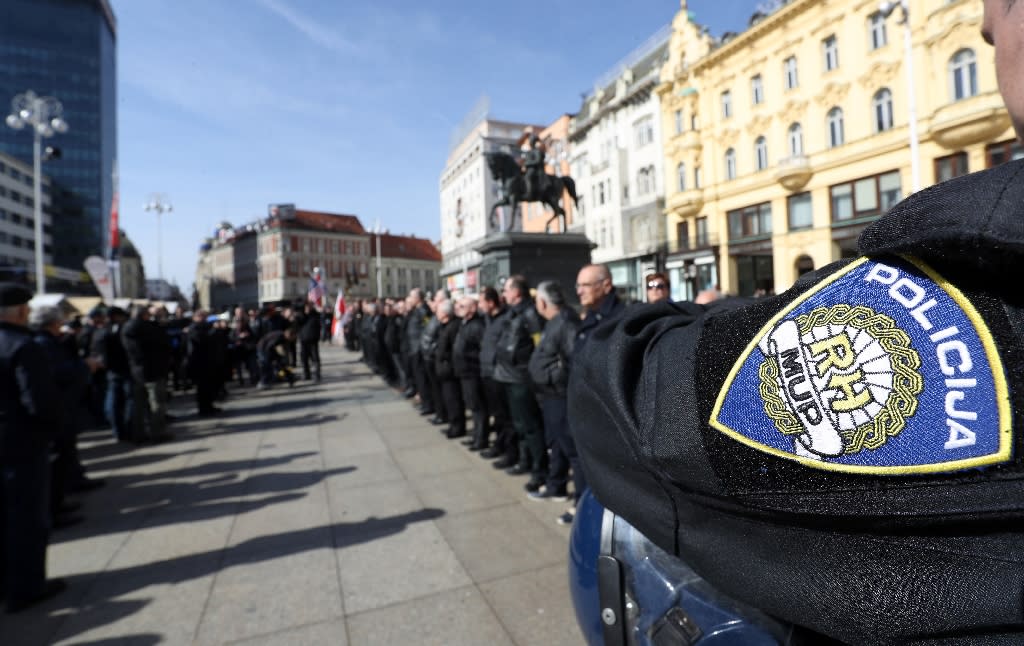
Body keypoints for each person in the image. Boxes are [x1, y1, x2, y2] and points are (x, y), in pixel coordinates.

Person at [568, 6, 1024, 642]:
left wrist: (672, 319)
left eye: (1004, 3)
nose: (982, 24)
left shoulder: (987, 274)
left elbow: (626, 407)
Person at [0, 283, 67, 612]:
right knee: (26, 517)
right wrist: (52, 434)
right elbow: (39, 402)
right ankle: (27, 586)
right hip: (21, 443)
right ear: (22, 312)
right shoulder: (22, 347)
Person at [527, 281, 579, 510]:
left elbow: (572, 360)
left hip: (560, 395)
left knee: (571, 448)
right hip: (550, 395)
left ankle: (580, 501)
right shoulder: (552, 322)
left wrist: (553, 377)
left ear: (543, 302)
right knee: (555, 443)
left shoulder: (566, 322)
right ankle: (555, 485)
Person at [494, 275, 546, 489]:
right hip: (507, 376)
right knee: (519, 425)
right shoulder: (512, 313)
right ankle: (525, 461)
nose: (503, 294)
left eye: (506, 290)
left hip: (521, 379)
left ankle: (539, 470)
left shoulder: (530, 314)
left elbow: (539, 346)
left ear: (516, 292)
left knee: (531, 426)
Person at [121, 305, 172, 442]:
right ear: (145, 315)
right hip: (153, 370)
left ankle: (138, 434)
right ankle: (157, 432)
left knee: (138, 405)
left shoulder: (127, 328)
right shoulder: (150, 328)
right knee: (156, 403)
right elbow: (163, 345)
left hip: (136, 371)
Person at [453, 296, 488, 451]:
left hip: (473, 372)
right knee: (472, 406)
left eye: (462, 306)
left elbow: (482, 350)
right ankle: (475, 435)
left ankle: (481, 439)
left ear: (472, 309)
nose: (458, 308)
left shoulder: (477, 325)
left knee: (478, 407)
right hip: (465, 372)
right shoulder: (464, 323)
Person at [298, 302, 322, 382]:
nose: (308, 308)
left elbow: (319, 325)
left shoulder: (315, 315)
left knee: (315, 358)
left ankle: (317, 374)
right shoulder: (301, 315)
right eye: (307, 306)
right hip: (304, 340)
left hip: (313, 340)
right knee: (304, 358)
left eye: (310, 306)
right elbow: (297, 324)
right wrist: (303, 314)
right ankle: (306, 374)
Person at [522, 133, 546, 200]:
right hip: (529, 169)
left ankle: (529, 193)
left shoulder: (537, 151)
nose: (530, 143)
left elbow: (538, 161)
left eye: (531, 141)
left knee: (528, 177)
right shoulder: (529, 151)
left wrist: (527, 164)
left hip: (535, 170)